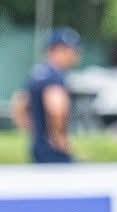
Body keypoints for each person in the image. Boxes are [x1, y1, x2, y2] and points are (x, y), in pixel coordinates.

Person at [10, 28, 81, 164]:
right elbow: (56, 109)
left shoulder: (37, 74)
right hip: (54, 151)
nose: (75, 56)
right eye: (73, 51)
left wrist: (34, 131)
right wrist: (59, 138)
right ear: (59, 50)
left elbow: (18, 105)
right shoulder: (55, 77)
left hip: (38, 147)